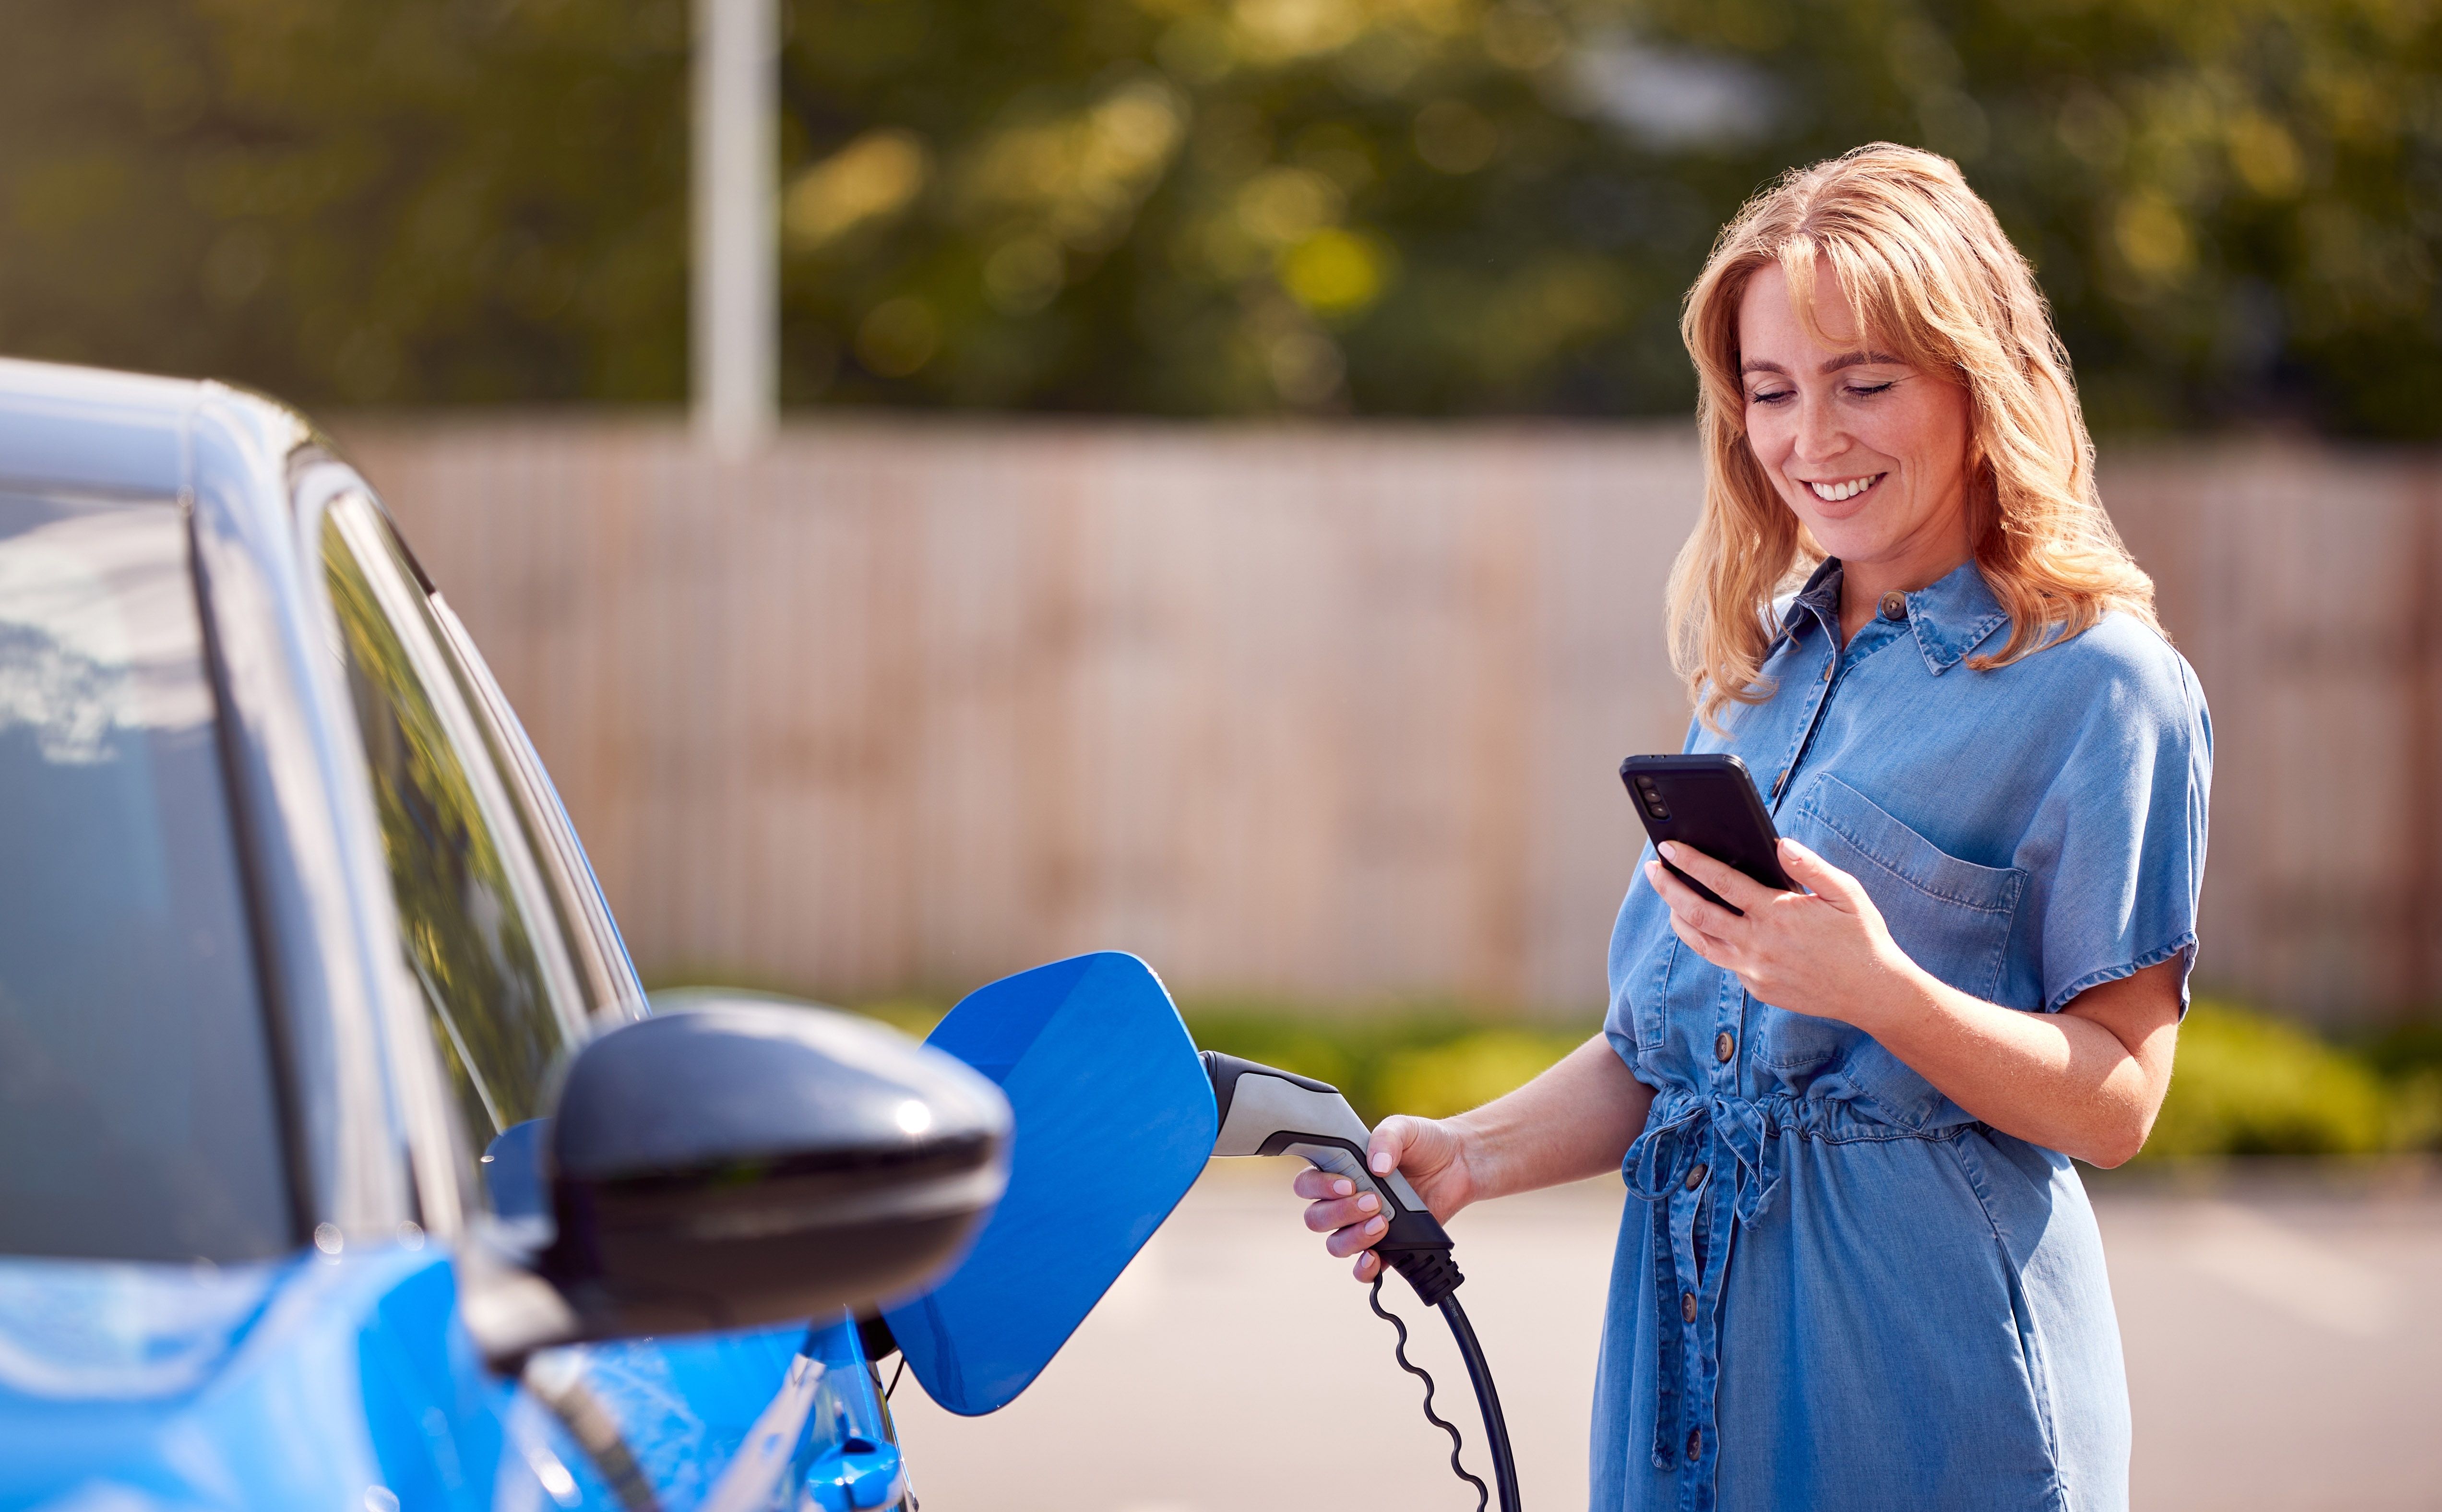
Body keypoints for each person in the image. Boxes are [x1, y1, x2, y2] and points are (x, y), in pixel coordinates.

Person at [1294, 143, 2211, 1512]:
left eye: (1864, 383)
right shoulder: (1753, 680)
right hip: (1681, 1374)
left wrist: (1881, 994)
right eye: (1770, 392)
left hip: (1925, 1379)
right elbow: (1667, 1056)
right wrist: (1470, 1157)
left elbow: (2120, 1101)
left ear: (1978, 381)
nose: (1809, 440)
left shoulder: (2099, 684)